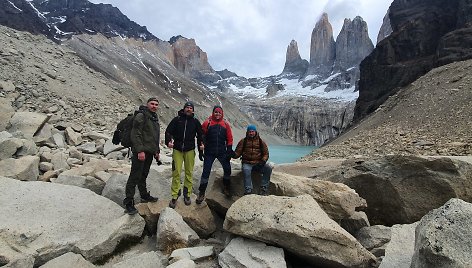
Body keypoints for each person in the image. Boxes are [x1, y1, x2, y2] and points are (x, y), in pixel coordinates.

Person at [123, 97, 161, 215]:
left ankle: (144, 195)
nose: (154, 106)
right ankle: (129, 202)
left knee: (143, 175)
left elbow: (154, 136)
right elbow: (136, 134)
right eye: (152, 104)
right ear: (147, 104)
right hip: (141, 152)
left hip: (149, 152)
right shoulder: (141, 116)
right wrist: (139, 151)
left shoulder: (154, 118)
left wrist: (157, 151)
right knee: (135, 175)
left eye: (156, 104)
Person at [165, 101, 204, 208]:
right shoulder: (177, 120)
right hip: (177, 149)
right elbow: (168, 131)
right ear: (184, 109)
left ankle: (187, 195)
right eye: (187, 107)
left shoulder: (195, 121)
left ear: (193, 110)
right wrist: (168, 141)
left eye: (190, 108)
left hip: (190, 150)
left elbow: (200, 135)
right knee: (176, 172)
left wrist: (201, 148)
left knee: (189, 173)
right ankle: (175, 195)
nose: (188, 109)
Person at [196, 105, 234, 204]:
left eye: (219, 112)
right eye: (216, 112)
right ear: (213, 113)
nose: (217, 114)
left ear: (222, 114)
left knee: (227, 169)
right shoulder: (207, 123)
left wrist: (229, 150)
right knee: (206, 172)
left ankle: (226, 187)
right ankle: (201, 192)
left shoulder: (225, 124)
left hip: (222, 151)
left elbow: (229, 139)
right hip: (209, 152)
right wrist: (200, 151)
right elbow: (201, 137)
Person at [233, 124, 272, 195]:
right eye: (249, 131)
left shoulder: (261, 141)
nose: (251, 133)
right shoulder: (243, 141)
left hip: (258, 163)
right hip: (247, 163)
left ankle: (263, 189)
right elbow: (237, 153)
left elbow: (266, 153)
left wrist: (263, 161)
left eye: (252, 131)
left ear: (255, 132)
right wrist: (232, 154)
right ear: (247, 132)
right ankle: (248, 190)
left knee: (268, 169)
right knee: (246, 170)